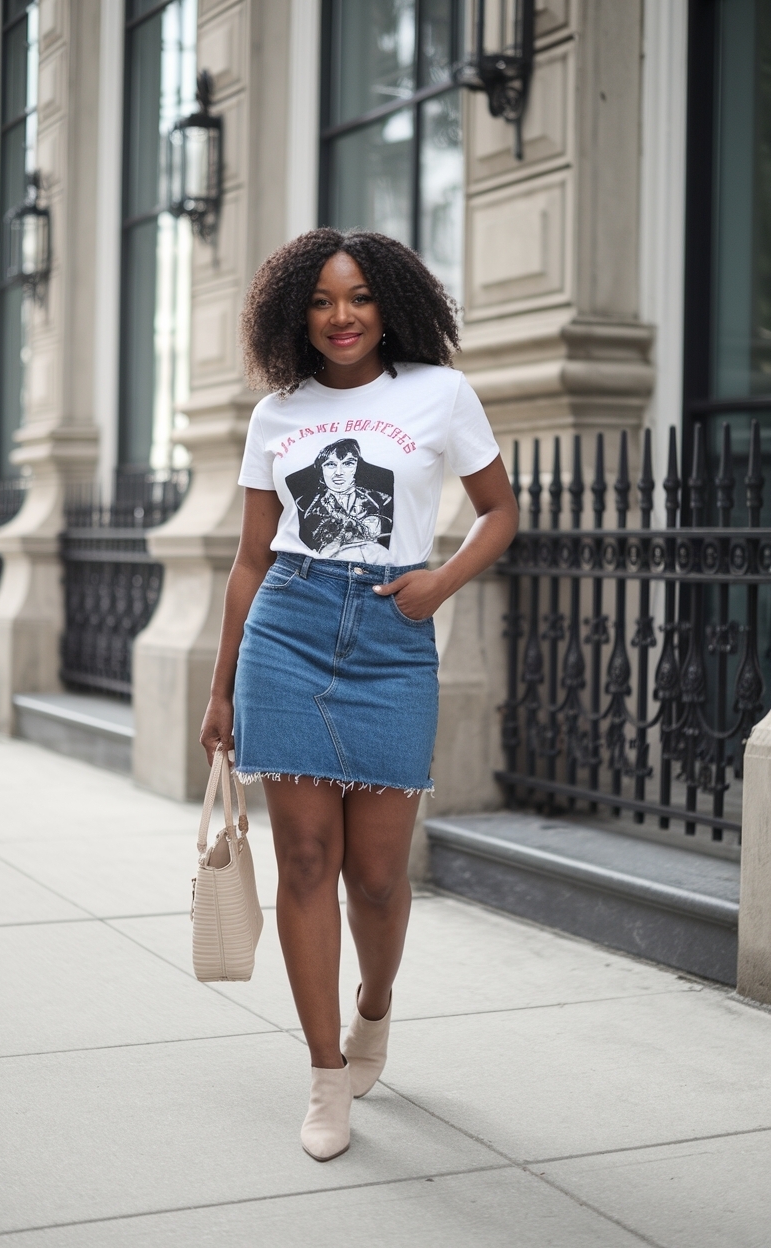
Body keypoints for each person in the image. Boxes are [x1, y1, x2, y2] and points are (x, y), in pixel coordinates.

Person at [199, 228, 519, 1162]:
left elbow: (500, 511)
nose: (341, 317)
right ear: (296, 313)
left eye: (360, 298)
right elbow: (251, 559)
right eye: (322, 301)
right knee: (305, 861)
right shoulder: (277, 415)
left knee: (376, 877)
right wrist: (220, 689)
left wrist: (440, 582)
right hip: (288, 630)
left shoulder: (439, 394)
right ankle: (325, 1072)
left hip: (393, 635)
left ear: (391, 307)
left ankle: (373, 1006)